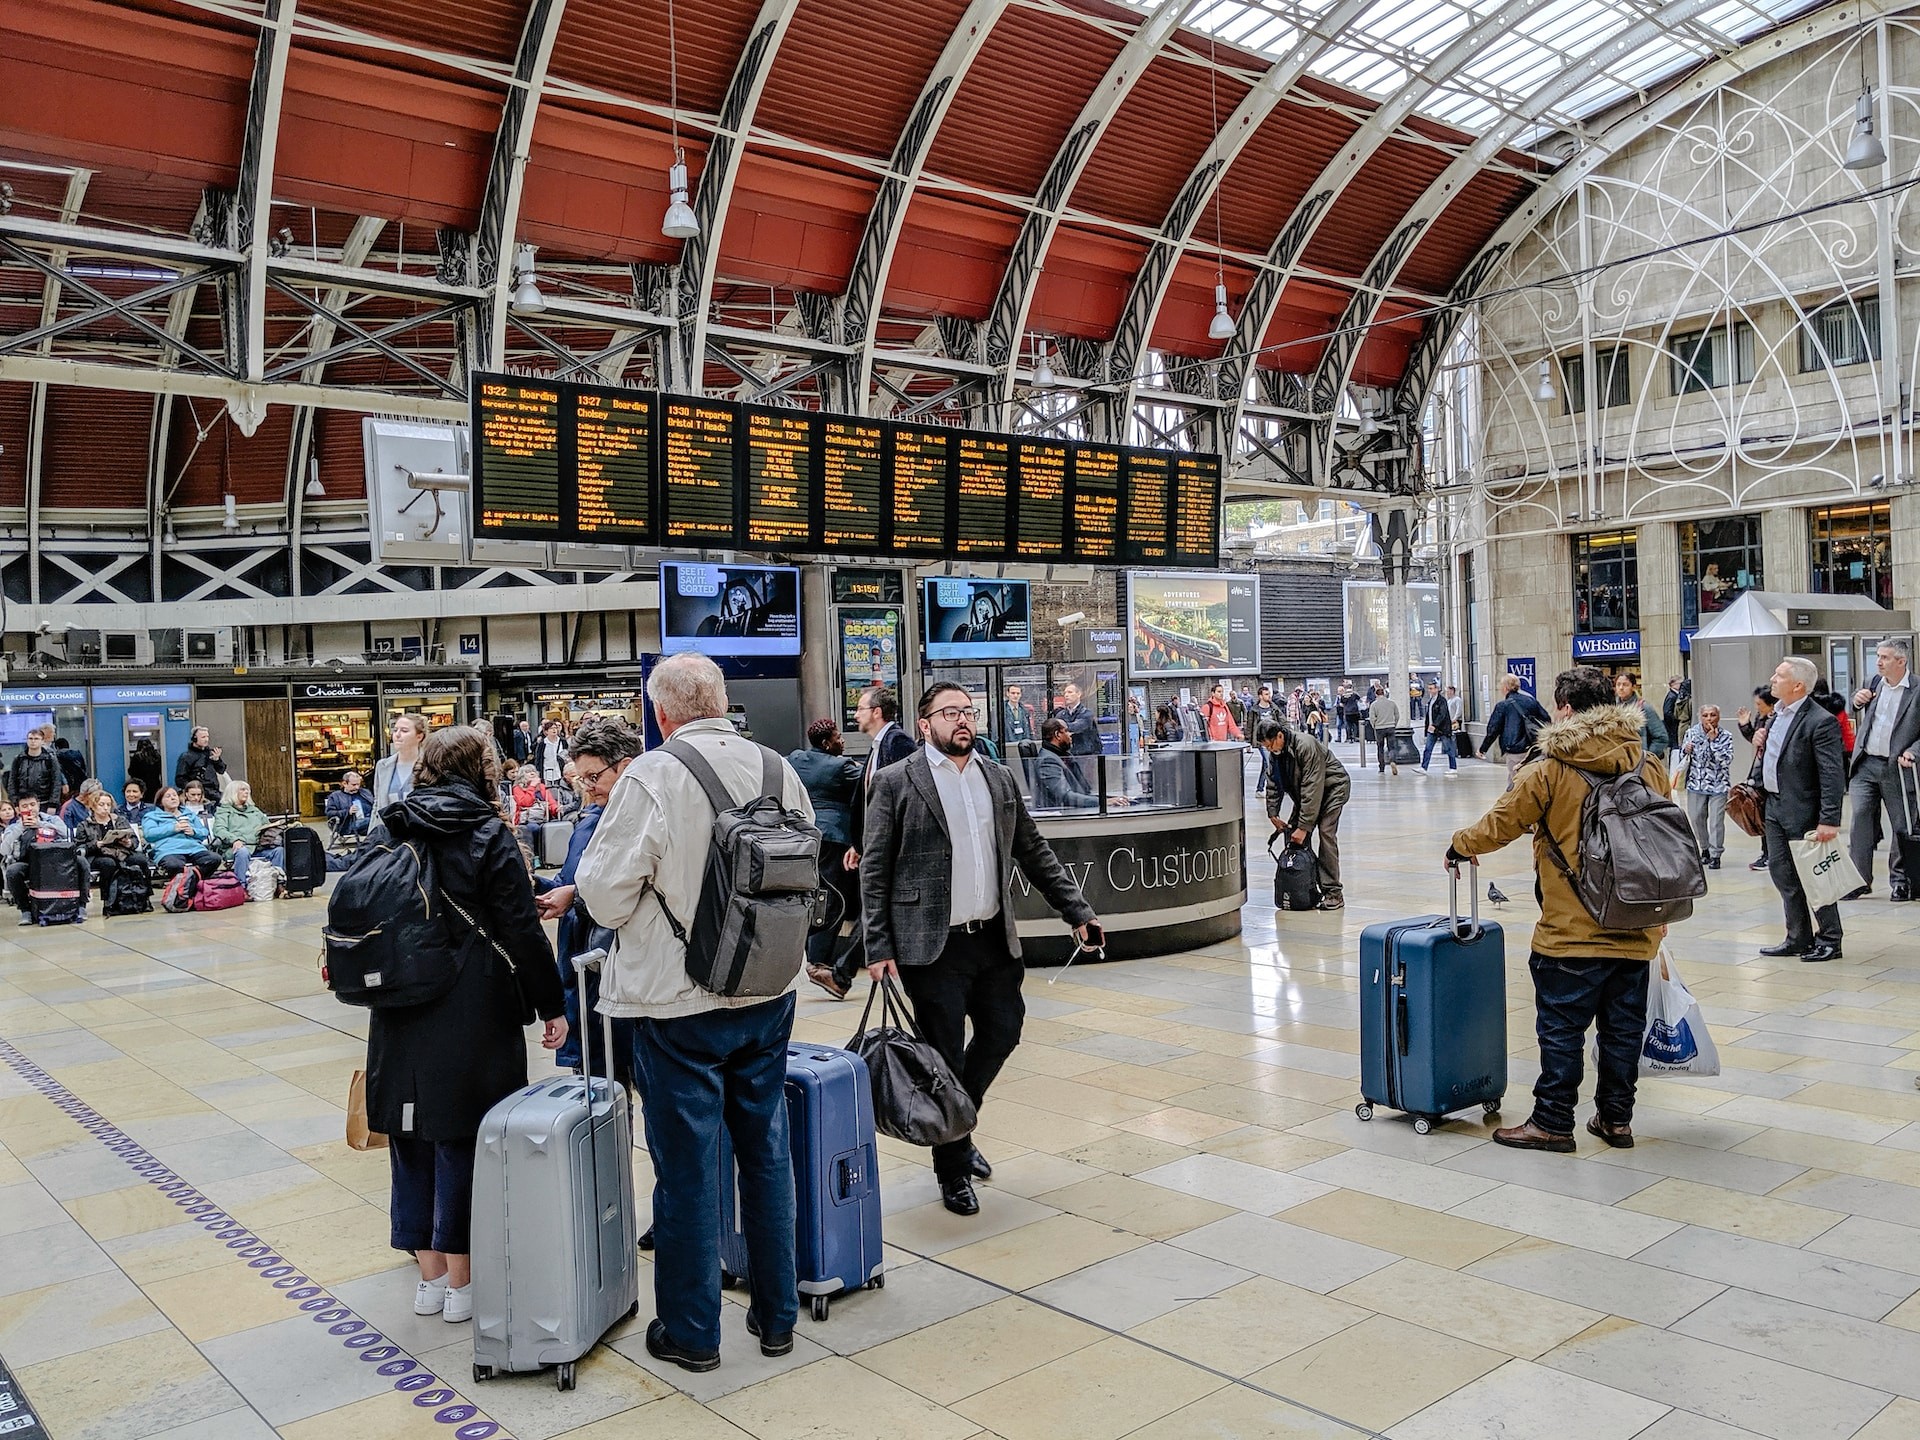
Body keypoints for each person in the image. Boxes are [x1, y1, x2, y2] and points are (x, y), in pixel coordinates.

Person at [575, 653, 813, 1374]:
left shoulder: (654, 773)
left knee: (685, 1172)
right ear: (721, 701)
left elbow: (604, 893)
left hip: (681, 1004)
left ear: (663, 713)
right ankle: (777, 1320)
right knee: (767, 1156)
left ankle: (691, 1333)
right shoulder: (780, 769)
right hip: (770, 991)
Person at [861, 681, 1099, 1217]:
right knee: (943, 1055)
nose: (962, 720)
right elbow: (875, 869)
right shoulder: (898, 782)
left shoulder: (997, 776)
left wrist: (1077, 910)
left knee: (1003, 1030)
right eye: (950, 712)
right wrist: (877, 945)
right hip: (932, 946)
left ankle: (957, 1124)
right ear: (925, 724)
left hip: (992, 938)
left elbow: (1033, 849)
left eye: (969, 712)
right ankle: (952, 1168)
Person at [365, 726, 567, 1327]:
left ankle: (428, 1279)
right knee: (465, 1135)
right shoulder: (488, 835)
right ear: (482, 769)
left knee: (410, 1130)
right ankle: (464, 1283)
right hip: (472, 1004)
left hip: (399, 1002)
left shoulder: (391, 823)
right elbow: (520, 932)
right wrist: (551, 1003)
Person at [1444, 665, 1670, 1152]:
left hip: (1572, 929)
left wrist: (1460, 845)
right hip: (1636, 925)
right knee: (1623, 1030)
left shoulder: (1550, 767)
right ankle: (1616, 1120)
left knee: (1562, 1028)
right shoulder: (1647, 763)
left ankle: (1551, 1121)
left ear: (1565, 709)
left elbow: (1502, 824)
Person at [536, 714, 640, 1085]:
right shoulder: (591, 815)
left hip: (621, 974)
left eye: (594, 777)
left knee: (620, 1076)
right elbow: (574, 878)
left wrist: (575, 896)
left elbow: (635, 889)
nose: (588, 787)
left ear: (625, 767)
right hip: (584, 968)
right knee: (598, 1090)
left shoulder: (643, 821)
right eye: (582, 778)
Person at [1758, 656, 1847, 962]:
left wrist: (1829, 819)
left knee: (1815, 877)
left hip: (1803, 809)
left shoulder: (1820, 721)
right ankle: (1798, 937)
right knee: (1782, 873)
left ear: (1797, 685)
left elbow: (1832, 774)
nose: (1772, 679)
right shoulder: (1776, 715)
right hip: (1774, 805)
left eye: (1779, 675)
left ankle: (1830, 939)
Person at [789, 718, 864, 983]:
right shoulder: (842, 766)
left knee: (812, 894)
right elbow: (871, 781)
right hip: (835, 839)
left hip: (804, 836)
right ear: (826, 743)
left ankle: (810, 955)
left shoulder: (796, 759)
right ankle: (818, 961)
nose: (842, 741)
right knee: (831, 900)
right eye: (838, 737)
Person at [1846, 639, 1920, 902]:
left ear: (1901, 661)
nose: (1879, 662)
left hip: (1897, 767)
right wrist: (1856, 700)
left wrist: (1914, 752)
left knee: (1901, 825)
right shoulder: (1873, 682)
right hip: (1866, 763)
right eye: (1878, 656)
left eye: (1885, 657)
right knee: (1860, 820)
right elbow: (1856, 708)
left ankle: (1900, 882)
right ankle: (1858, 881)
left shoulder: (1917, 690)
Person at [1257, 719, 1349, 909]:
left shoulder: (1305, 745)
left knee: (1325, 832)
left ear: (1279, 736)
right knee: (1293, 836)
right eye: (1265, 747)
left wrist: (1304, 827)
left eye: (1270, 744)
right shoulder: (1276, 753)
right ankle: (1303, 889)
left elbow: (1312, 786)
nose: (1268, 749)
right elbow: (1273, 783)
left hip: (1332, 789)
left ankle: (1333, 892)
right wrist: (1273, 813)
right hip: (1307, 795)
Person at [1679, 704, 1734, 870]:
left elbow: (1726, 760)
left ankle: (1716, 854)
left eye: (1713, 715)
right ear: (1700, 717)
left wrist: (1712, 742)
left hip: (1718, 784)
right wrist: (1685, 750)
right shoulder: (1691, 733)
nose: (1709, 719)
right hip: (1696, 783)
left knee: (1716, 822)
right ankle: (1705, 848)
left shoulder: (1726, 736)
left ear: (1718, 716)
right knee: (1696, 818)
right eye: (1705, 715)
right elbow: (1684, 756)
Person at [3, 796, 75, 921]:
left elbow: (67, 834)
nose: (30, 808)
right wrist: (21, 828)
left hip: (56, 861)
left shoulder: (53, 819)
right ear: (18, 810)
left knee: (81, 863)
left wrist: (40, 824)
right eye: (24, 806)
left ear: (38, 805)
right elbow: (3, 850)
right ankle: (25, 910)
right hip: (28, 863)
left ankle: (80, 906)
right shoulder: (13, 827)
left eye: (32, 804)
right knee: (13, 871)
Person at [1032, 717, 1128, 811]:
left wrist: (1110, 798)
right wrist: (1103, 802)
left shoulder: (1061, 755)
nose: (1070, 735)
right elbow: (1065, 796)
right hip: (1065, 814)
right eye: (1066, 731)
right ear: (1057, 735)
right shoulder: (1048, 761)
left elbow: (1083, 791)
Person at [1736, 685, 1777, 873]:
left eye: (1760, 704)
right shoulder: (1762, 718)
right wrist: (1745, 726)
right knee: (1761, 816)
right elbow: (1756, 741)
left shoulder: (1778, 719)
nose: (1757, 707)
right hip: (1760, 774)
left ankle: (1772, 855)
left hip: (1774, 775)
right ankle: (1766, 853)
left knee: (1769, 818)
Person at [1485, 674, 1552, 788]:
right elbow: (1546, 719)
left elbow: (1493, 729)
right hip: (1532, 746)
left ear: (1505, 688)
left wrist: (1483, 748)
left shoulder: (1502, 706)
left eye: (1501, 686)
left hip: (1514, 748)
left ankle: (1516, 802)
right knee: (1525, 777)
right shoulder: (1531, 701)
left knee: (1516, 780)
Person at [76, 791, 141, 905]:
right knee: (108, 863)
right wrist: (96, 844)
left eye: (108, 805)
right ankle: (108, 900)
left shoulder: (120, 820)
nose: (105, 808)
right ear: (93, 806)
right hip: (97, 855)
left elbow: (135, 840)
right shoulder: (85, 825)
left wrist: (129, 843)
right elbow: (79, 847)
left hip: (120, 851)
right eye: (101, 805)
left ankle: (142, 897)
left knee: (140, 860)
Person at [141, 788, 221, 881]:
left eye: (175, 795)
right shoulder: (152, 816)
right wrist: (173, 828)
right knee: (174, 865)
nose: (173, 798)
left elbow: (204, 832)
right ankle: (188, 885)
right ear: (160, 802)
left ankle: (190, 881)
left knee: (215, 859)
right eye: (168, 796)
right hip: (169, 850)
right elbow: (149, 834)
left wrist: (193, 831)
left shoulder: (189, 814)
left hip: (194, 848)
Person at [212, 781, 281, 880]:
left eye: (247, 790)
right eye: (242, 789)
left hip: (257, 847)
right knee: (242, 852)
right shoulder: (224, 811)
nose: (246, 792)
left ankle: (278, 883)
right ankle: (242, 885)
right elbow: (219, 829)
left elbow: (268, 826)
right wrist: (234, 840)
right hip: (235, 848)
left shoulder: (255, 811)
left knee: (278, 851)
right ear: (233, 792)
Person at [374, 712, 427, 812]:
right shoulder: (383, 766)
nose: (397, 735)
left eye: (404, 731)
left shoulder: (429, 765)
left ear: (419, 737)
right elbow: (377, 804)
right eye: (395, 730)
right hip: (387, 826)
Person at [1614, 672, 1669, 759]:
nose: (1621, 688)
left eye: (1625, 685)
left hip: (1638, 761)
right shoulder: (1611, 708)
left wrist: (1647, 756)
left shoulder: (1644, 708)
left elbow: (1661, 737)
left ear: (1633, 687)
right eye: (1618, 684)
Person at [9, 727, 61, 808]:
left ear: (42, 741)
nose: (33, 741)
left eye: (36, 739)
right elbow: (12, 782)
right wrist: (15, 803)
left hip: (44, 802)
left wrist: (53, 804)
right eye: (30, 738)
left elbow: (56, 782)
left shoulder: (50, 759)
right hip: (23, 803)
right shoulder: (19, 759)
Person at [1053, 680, 1102, 759]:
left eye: (1070, 692)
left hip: (1086, 756)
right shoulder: (1060, 715)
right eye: (1065, 693)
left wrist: (1061, 726)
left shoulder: (1087, 713)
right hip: (1068, 756)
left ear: (1079, 694)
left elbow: (1077, 727)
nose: (1066, 695)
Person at [174, 726, 227, 796]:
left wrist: (217, 760)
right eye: (203, 737)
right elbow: (180, 779)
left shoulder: (210, 753)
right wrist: (193, 789)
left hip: (214, 791)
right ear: (194, 738)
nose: (206, 740)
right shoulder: (186, 757)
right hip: (199, 794)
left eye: (207, 737)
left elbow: (221, 770)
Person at [1248, 686, 1282, 794]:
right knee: (1269, 763)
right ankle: (1275, 786)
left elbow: (1282, 720)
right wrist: (1249, 741)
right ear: (1260, 696)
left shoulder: (1274, 708)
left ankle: (1260, 788)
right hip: (1262, 741)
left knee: (1266, 764)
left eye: (1269, 694)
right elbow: (1249, 726)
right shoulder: (1254, 710)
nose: (1269, 696)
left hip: (1274, 740)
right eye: (1266, 694)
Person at [1418, 682, 1456, 776]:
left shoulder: (1441, 701)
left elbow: (1442, 714)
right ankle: (1424, 767)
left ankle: (1453, 767)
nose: (1430, 691)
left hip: (1442, 729)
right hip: (1432, 729)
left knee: (1448, 748)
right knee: (1428, 748)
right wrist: (1428, 728)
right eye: (1429, 688)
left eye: (1431, 688)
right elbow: (1428, 716)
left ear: (1437, 689)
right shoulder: (1431, 701)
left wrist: (1435, 725)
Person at [325, 771, 376, 840]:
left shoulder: (365, 792)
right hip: (349, 824)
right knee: (375, 821)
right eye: (354, 785)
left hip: (368, 822)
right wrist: (347, 811)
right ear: (345, 783)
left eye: (358, 784)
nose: (357, 787)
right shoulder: (335, 796)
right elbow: (330, 813)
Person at [1368, 688, 1402, 776]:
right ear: (1385, 694)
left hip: (1379, 728)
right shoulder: (1392, 703)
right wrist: (1394, 724)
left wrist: (1374, 726)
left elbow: (1372, 717)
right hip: (1390, 727)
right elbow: (1397, 715)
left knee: (1380, 748)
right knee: (1392, 747)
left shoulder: (1374, 705)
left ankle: (1381, 767)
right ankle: (1392, 761)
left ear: (1376, 695)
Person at [533, 719, 568, 789]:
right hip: (547, 771)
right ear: (546, 731)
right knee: (548, 790)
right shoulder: (542, 743)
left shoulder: (562, 741)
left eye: (555, 728)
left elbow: (567, 753)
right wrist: (538, 772)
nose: (554, 730)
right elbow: (538, 759)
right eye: (551, 728)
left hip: (559, 770)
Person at [127, 738, 164, 805]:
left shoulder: (137, 756)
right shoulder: (157, 755)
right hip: (155, 785)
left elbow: (131, 771)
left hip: (141, 785)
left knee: (142, 804)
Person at [1661, 677, 1693, 751]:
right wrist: (1676, 719)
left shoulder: (1676, 695)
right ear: (1673, 684)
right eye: (1680, 684)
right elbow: (1667, 712)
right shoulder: (1672, 696)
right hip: (1674, 727)